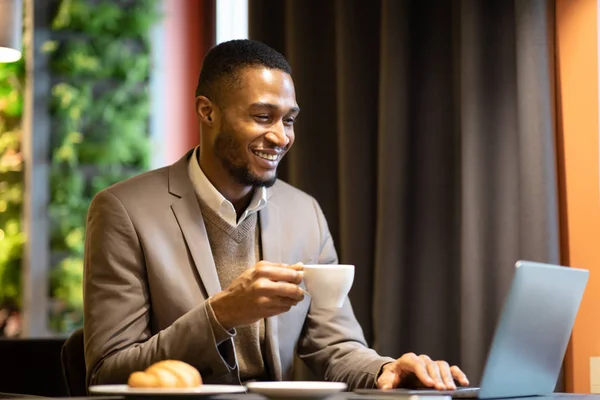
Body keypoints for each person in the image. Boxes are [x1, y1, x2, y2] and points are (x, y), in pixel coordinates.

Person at [83, 39, 469, 391]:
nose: (282, 137)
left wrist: (385, 369)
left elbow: (335, 345)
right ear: (207, 111)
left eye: (289, 120)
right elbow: (108, 369)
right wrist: (220, 314)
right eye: (263, 117)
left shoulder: (305, 213)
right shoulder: (123, 211)